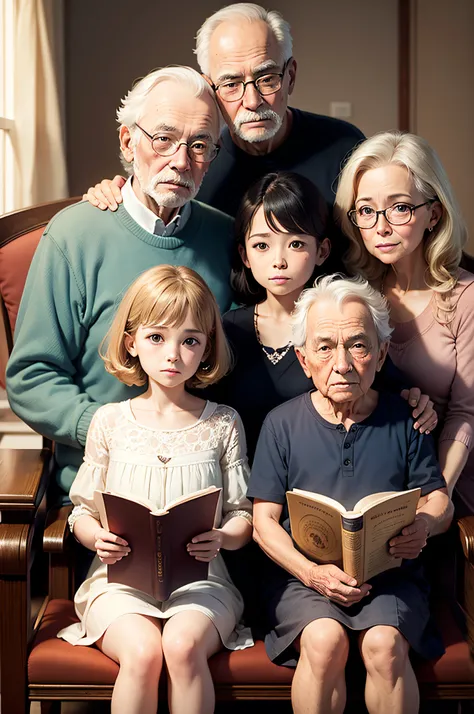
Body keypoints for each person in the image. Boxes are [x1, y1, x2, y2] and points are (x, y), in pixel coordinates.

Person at [6, 66, 235, 497]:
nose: (181, 161)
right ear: (129, 142)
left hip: (211, 489)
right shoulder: (73, 235)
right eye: (163, 139)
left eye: (200, 145)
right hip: (104, 490)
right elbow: (31, 376)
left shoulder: (229, 239)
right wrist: (118, 433)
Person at [247, 274, 453, 714]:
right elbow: (263, 522)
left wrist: (425, 524)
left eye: (358, 346)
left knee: (384, 645)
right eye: (324, 347)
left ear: (380, 355)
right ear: (304, 360)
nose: (341, 363)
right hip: (302, 579)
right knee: (323, 641)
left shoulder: (407, 418)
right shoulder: (281, 424)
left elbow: (438, 501)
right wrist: (311, 573)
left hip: (391, 577)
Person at [58, 264, 253, 714]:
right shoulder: (109, 421)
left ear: (206, 347)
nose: (173, 354)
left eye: (189, 340)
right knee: (144, 651)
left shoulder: (223, 422)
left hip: (202, 585)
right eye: (156, 337)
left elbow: (243, 515)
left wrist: (222, 538)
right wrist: (96, 537)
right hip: (118, 584)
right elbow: (81, 512)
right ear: (131, 342)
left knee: (183, 647)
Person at [213, 171, 437, 461]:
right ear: (245, 256)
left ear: (322, 250)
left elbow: (395, 390)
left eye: (295, 244)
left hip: (327, 485)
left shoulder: (347, 323)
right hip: (247, 489)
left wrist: (418, 402)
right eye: (261, 245)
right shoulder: (228, 331)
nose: (278, 260)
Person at [84, 3, 364, 231]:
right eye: (231, 84)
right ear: (211, 89)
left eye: (266, 79)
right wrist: (117, 194)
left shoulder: (344, 147)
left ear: (290, 76)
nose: (252, 101)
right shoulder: (195, 165)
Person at [335, 130, 474, 514]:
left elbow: (466, 414)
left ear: (434, 213)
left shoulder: (466, 296)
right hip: (377, 480)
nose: (380, 227)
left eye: (399, 208)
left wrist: (437, 495)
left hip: (449, 481)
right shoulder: (357, 294)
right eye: (366, 210)